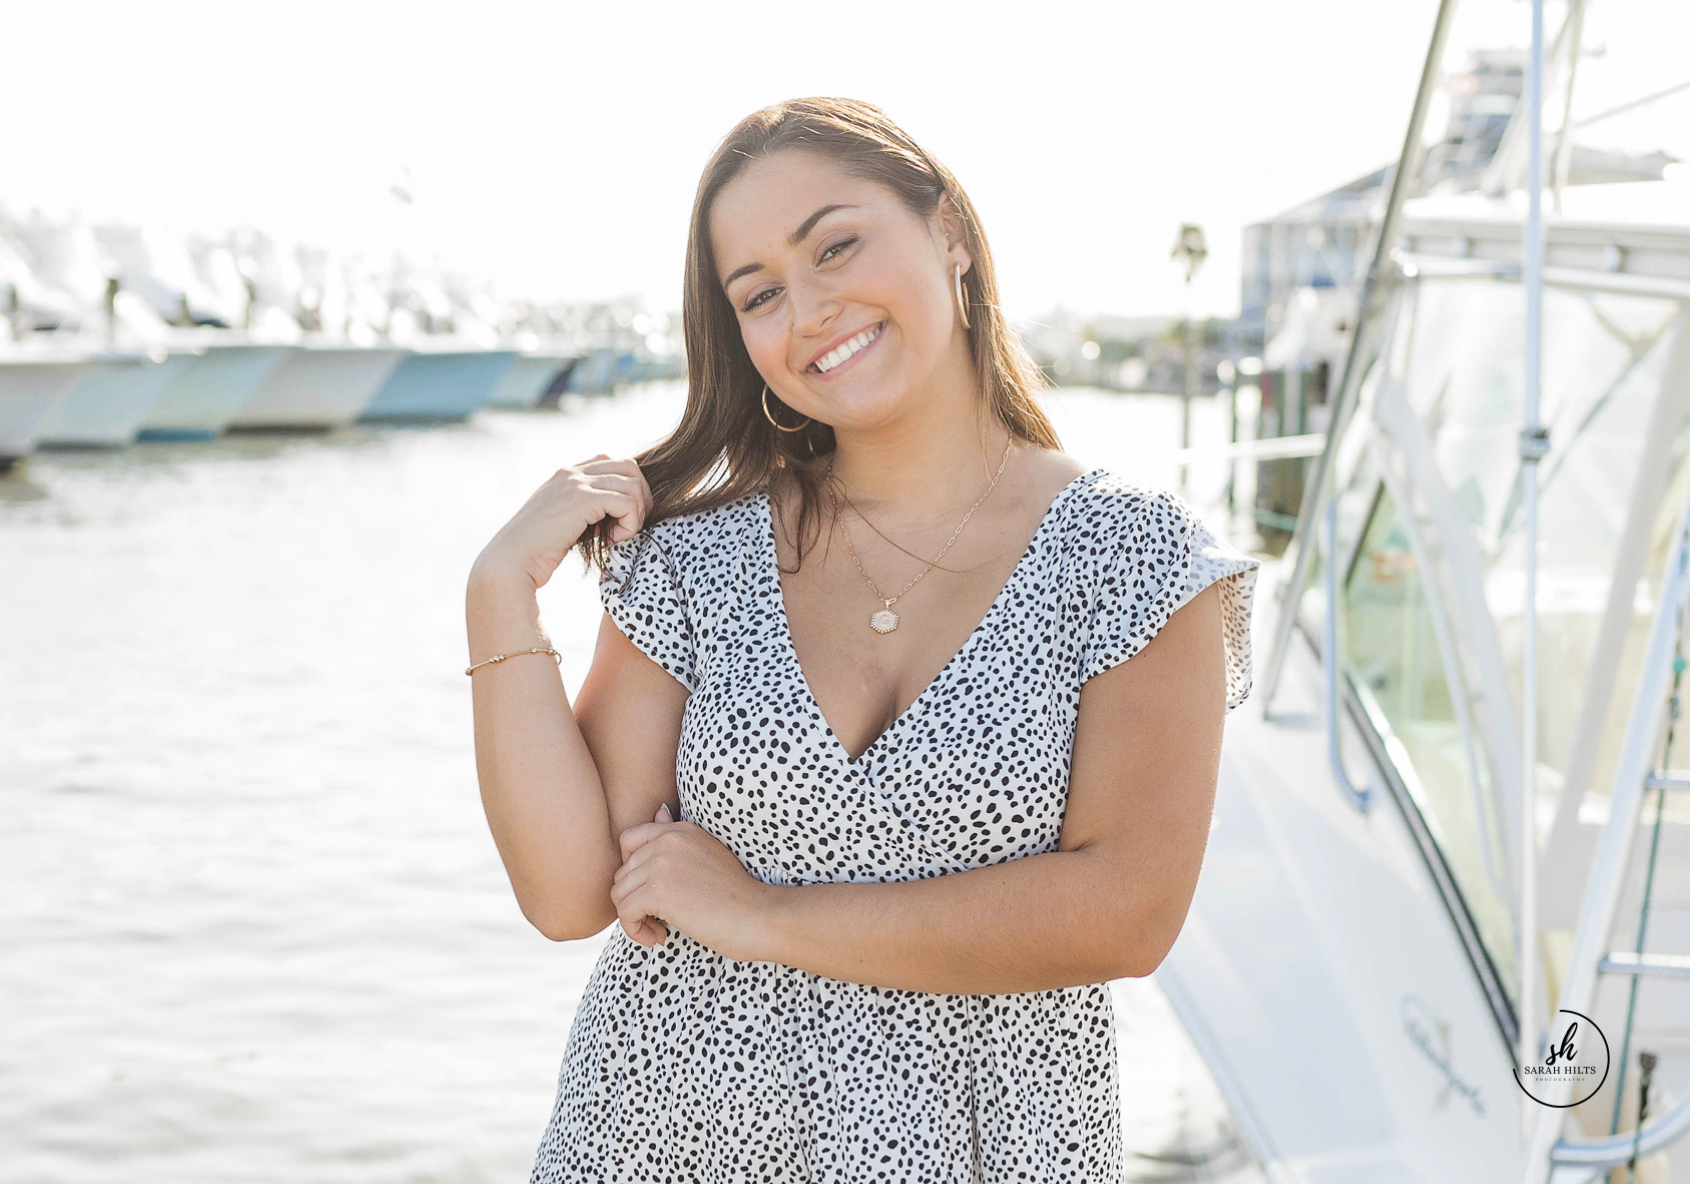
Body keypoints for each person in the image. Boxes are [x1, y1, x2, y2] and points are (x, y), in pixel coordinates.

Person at [464, 97, 1261, 1183]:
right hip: (661, 1138)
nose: (810, 309)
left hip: (982, 1149)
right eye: (760, 294)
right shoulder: (698, 560)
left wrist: (762, 915)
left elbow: (1126, 914)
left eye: (836, 245)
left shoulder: (1133, 556)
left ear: (951, 236)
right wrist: (500, 590)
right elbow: (570, 893)